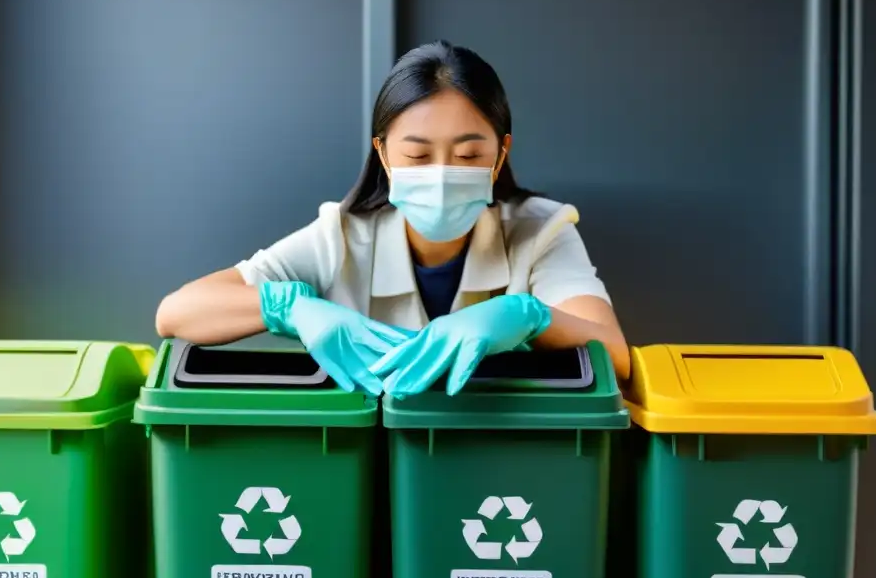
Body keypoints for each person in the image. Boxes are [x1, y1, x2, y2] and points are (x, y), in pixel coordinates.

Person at [156, 40, 629, 398]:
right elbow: (176, 313)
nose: (443, 174)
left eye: (468, 154)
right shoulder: (341, 238)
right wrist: (287, 307)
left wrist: (528, 317)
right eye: (418, 155)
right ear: (383, 153)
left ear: (500, 154)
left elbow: (614, 353)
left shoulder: (540, 231)